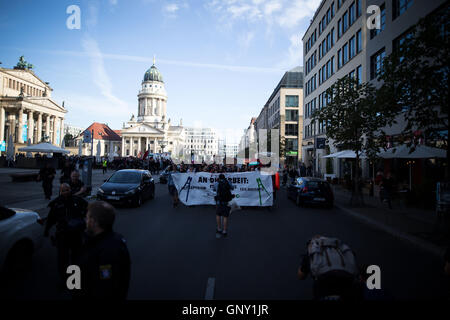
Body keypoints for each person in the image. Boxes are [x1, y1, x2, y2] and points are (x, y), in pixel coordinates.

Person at [74, 201, 131, 300]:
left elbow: (106, 288)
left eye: (87, 218)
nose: (85, 221)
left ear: (94, 222)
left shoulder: (109, 250)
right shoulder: (92, 240)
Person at [44, 184, 88, 284]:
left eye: (67, 190)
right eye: (63, 190)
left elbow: (88, 210)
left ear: (70, 189)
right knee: (62, 259)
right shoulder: (56, 203)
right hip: (62, 235)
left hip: (76, 234)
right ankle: (64, 279)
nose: (66, 192)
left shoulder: (78, 200)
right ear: (60, 191)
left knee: (76, 258)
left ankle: (74, 280)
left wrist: (86, 222)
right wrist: (46, 230)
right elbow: (51, 218)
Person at [297, 235, 360, 300]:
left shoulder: (314, 251)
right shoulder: (341, 248)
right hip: (347, 284)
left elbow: (301, 276)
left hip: (324, 288)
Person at [214, 174, 234, 238]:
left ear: (219, 178)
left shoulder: (216, 183)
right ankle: (224, 231)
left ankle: (219, 228)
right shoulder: (228, 182)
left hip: (219, 202)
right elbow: (232, 188)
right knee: (225, 216)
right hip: (226, 201)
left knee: (218, 215)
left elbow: (214, 189)